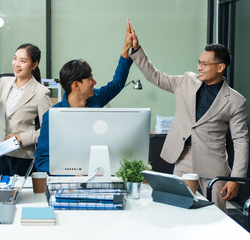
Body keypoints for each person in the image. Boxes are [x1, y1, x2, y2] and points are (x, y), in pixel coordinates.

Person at [127, 20, 249, 212]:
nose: (199, 67)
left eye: (205, 64)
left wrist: (235, 179)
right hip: (183, 157)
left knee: (215, 215)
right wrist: (137, 49)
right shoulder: (186, 81)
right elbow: (155, 76)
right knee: (178, 208)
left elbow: (241, 141)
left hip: (213, 164)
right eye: (199, 62)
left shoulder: (235, 100)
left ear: (220, 67)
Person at [35, 19, 134, 172]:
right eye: (89, 79)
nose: (94, 82)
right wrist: (70, 174)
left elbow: (117, 84)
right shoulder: (52, 116)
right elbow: (41, 161)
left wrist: (126, 49)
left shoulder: (96, 98)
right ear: (76, 85)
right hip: (67, 182)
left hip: (97, 173)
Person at [0, 43, 51, 176]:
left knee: (23, 195)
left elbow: (49, 130)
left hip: (23, 156)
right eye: (15, 58)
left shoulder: (41, 93)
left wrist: (21, 138)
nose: (16, 64)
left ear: (34, 65)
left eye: (23, 61)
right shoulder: (3, 83)